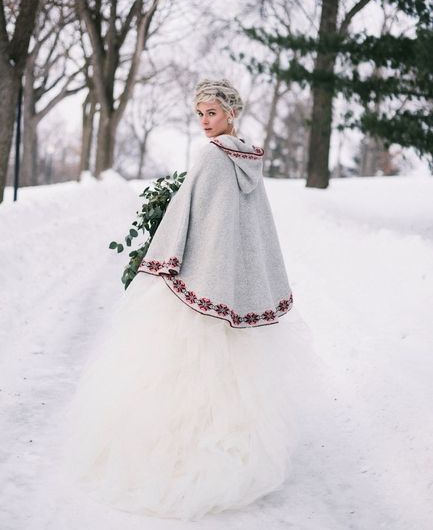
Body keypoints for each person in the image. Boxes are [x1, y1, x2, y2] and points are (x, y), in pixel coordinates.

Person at [59, 77, 323, 521]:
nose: (204, 122)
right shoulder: (248, 160)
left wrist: (162, 255)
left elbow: (189, 213)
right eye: (199, 114)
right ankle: (236, 457)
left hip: (199, 285)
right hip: (231, 290)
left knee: (177, 372)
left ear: (230, 113)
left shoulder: (212, 157)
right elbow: (245, 229)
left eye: (212, 113)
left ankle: (181, 459)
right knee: (231, 377)